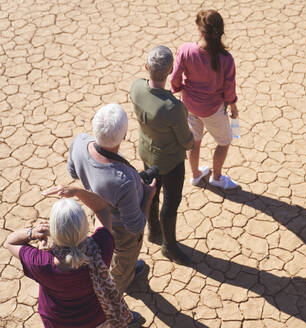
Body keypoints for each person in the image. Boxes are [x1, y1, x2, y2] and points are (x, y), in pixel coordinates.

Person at [4, 185, 146, 328]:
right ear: (84, 226)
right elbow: (102, 209)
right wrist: (78, 192)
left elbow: (10, 242)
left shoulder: (42, 263)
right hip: (98, 317)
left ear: (52, 229)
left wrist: (33, 232)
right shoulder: (101, 247)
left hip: (60, 323)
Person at [67, 104, 156, 292]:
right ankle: (119, 296)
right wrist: (148, 196)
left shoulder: (80, 142)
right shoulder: (124, 180)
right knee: (122, 262)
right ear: (123, 136)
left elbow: (73, 171)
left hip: (97, 214)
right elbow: (135, 226)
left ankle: (127, 269)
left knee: (109, 252)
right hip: (121, 230)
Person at [130, 45, 194, 265]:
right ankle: (170, 246)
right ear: (170, 71)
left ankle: (153, 230)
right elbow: (187, 141)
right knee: (171, 201)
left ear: (146, 67)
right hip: (170, 162)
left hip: (146, 152)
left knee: (152, 192)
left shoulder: (136, 88)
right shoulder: (173, 107)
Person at [170, 9, 239, 190]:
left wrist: (178, 89)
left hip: (189, 105)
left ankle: (195, 175)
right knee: (224, 142)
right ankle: (216, 178)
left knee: (194, 141)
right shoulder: (226, 59)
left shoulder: (186, 50)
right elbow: (229, 88)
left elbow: (174, 78)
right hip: (213, 109)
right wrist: (233, 105)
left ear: (200, 31)